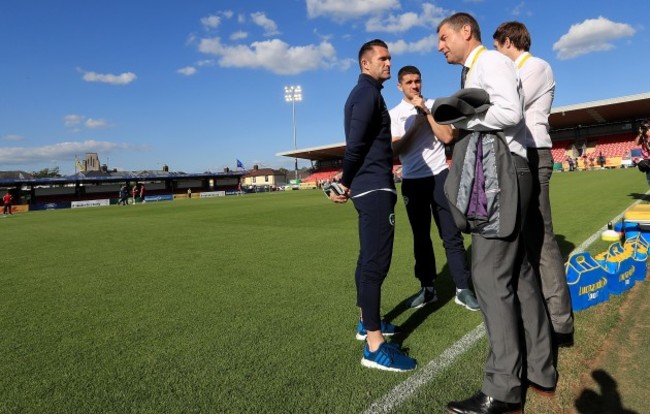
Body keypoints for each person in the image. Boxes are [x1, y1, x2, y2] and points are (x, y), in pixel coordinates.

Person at [436, 13, 555, 413]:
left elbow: (509, 113)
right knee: (519, 272)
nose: (440, 46)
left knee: (487, 277)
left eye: (443, 37)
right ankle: (540, 369)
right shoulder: (482, 67)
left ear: (465, 32)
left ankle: (503, 389)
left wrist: (463, 116)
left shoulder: (489, 62)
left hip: (500, 172)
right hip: (506, 170)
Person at [329, 39, 416, 372]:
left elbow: (361, 146)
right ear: (365, 64)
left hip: (370, 185)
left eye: (390, 58)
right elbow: (355, 146)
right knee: (376, 264)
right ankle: (375, 347)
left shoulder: (365, 94)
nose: (389, 63)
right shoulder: (367, 94)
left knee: (368, 258)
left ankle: (367, 323)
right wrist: (345, 180)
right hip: (374, 188)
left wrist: (347, 179)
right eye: (382, 58)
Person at [493, 21, 575, 348]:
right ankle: (536, 314)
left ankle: (560, 323)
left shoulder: (536, 66)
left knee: (542, 240)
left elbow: (508, 105)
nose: (497, 54)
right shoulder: (517, 69)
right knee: (523, 239)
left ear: (509, 41)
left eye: (498, 47)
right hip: (516, 155)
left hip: (533, 153)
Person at [389, 65, 479, 312]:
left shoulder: (436, 105)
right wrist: (416, 126)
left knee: (451, 234)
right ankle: (427, 288)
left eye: (417, 81)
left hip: (440, 176)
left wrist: (426, 112)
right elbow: (395, 150)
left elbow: (448, 137)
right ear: (400, 86)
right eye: (408, 82)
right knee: (421, 238)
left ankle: (463, 288)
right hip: (413, 181)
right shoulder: (394, 114)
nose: (414, 86)